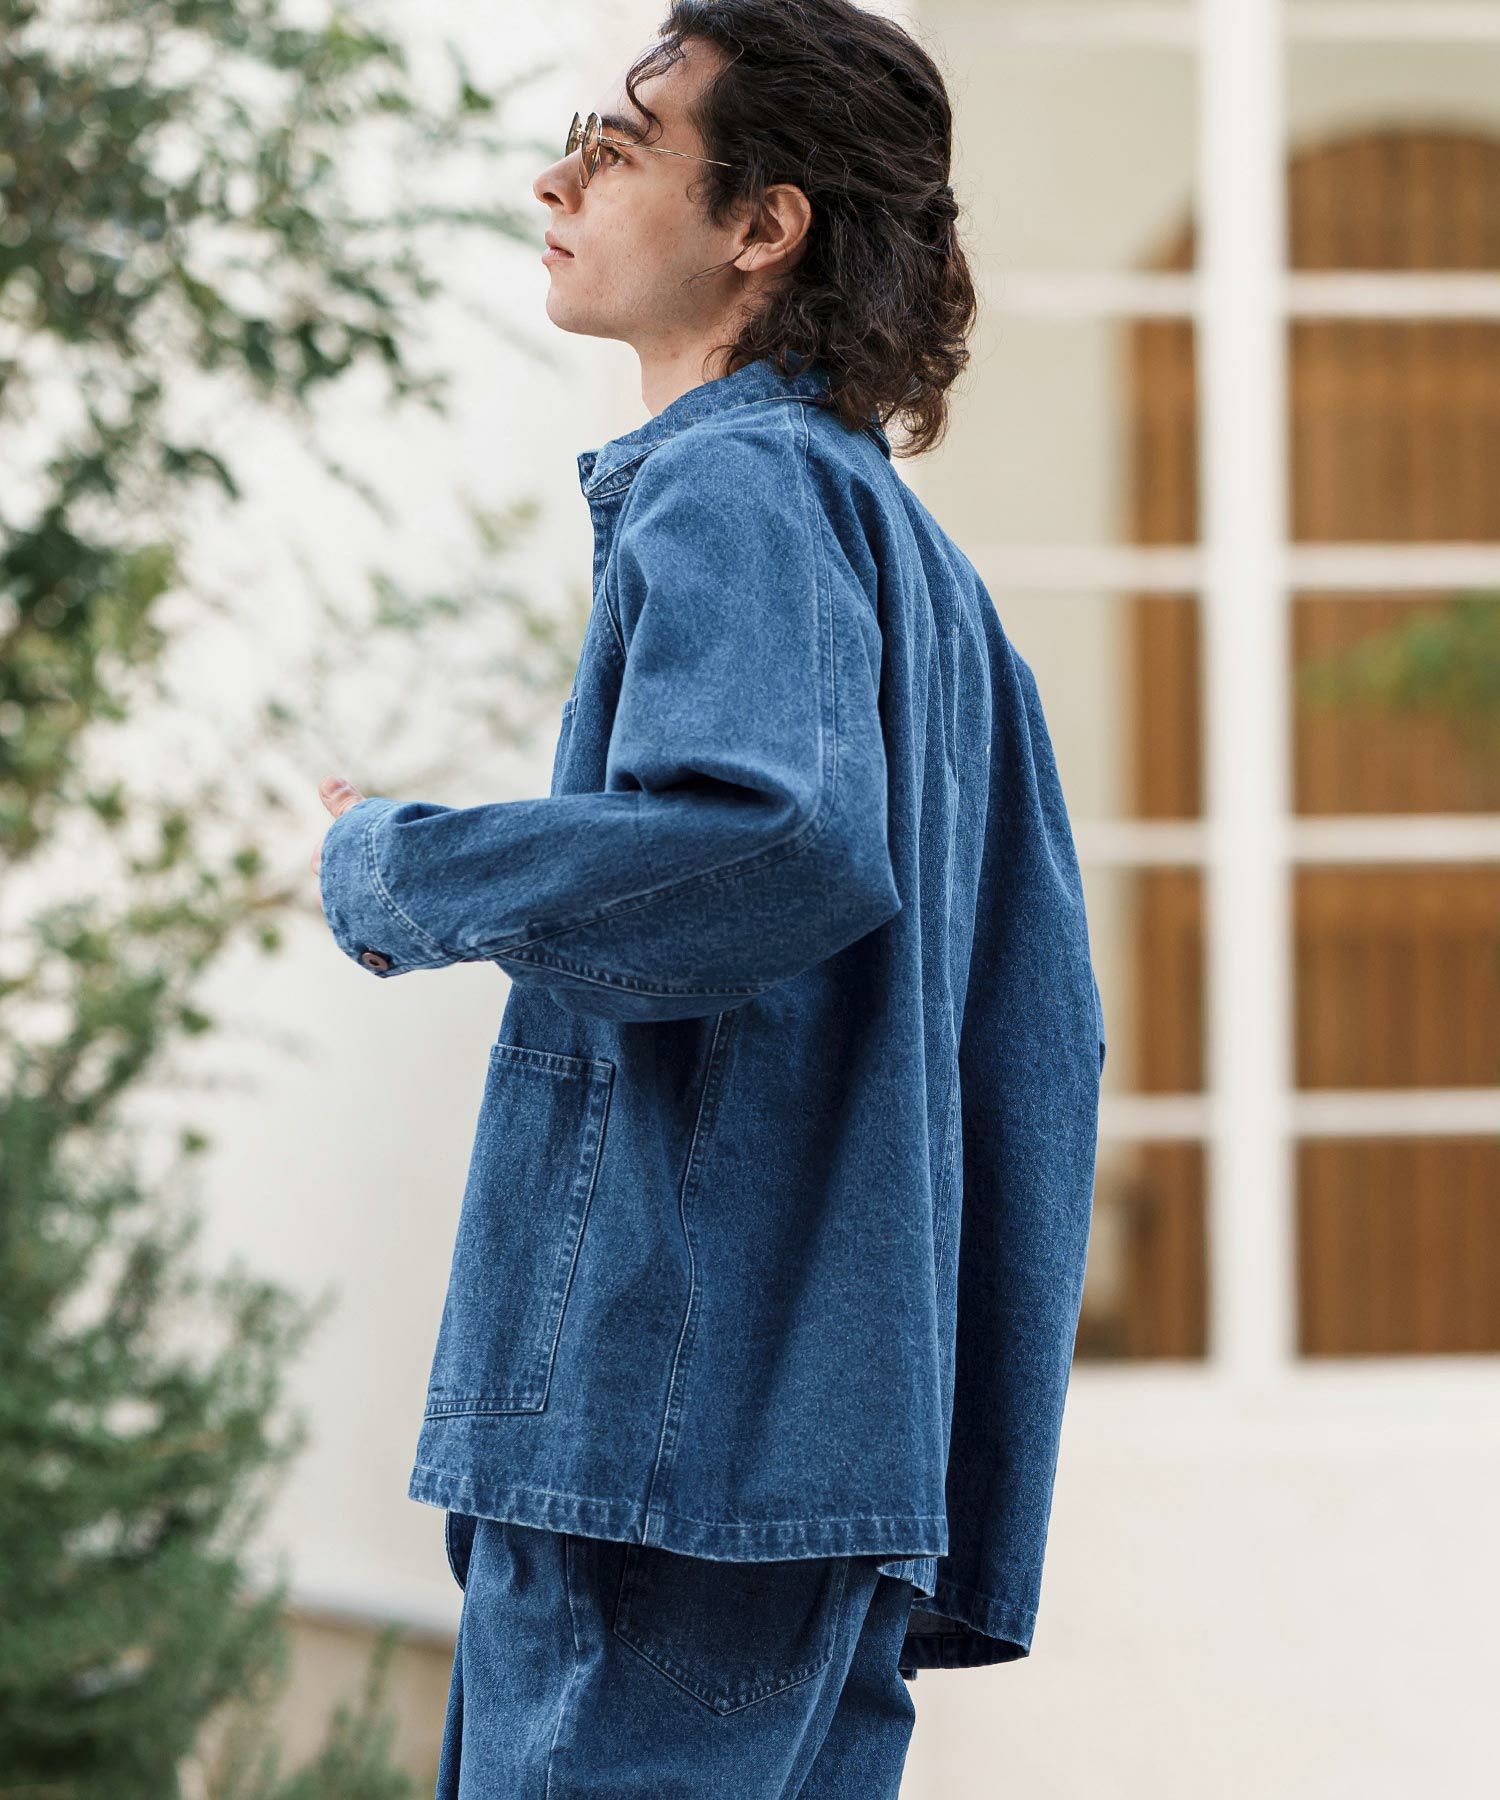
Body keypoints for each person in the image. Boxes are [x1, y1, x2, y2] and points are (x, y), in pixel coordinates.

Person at [312, 4, 1105, 1794]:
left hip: (658, 1444)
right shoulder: (921, 571)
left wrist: (401, 867)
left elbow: (772, 836)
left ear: (764, 224)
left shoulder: (732, 485)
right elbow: (1044, 1042)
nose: (556, 179)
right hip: (828, 1458)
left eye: (618, 142)